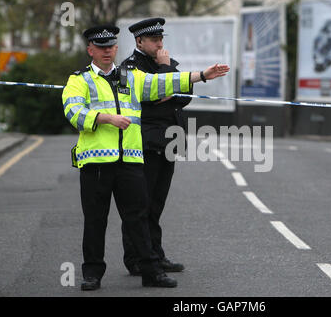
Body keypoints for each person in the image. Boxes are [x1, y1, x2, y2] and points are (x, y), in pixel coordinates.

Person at [62, 24, 229, 290]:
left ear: (117, 48)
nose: (107, 51)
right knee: (95, 220)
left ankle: (151, 271)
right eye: (101, 47)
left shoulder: (131, 76)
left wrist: (202, 75)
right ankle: (92, 274)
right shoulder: (79, 80)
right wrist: (106, 118)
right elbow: (73, 112)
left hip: (130, 161)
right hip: (96, 163)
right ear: (90, 50)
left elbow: (163, 83)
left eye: (111, 47)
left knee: (138, 217)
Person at [119, 18, 193, 276]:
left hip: (169, 140)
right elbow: (152, 94)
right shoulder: (130, 67)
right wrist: (165, 74)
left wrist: (169, 85)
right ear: (139, 41)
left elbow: (185, 95)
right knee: (141, 204)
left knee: (157, 204)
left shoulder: (165, 64)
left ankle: (154, 255)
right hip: (145, 143)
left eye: (161, 39)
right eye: (154, 40)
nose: (160, 44)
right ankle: (136, 259)